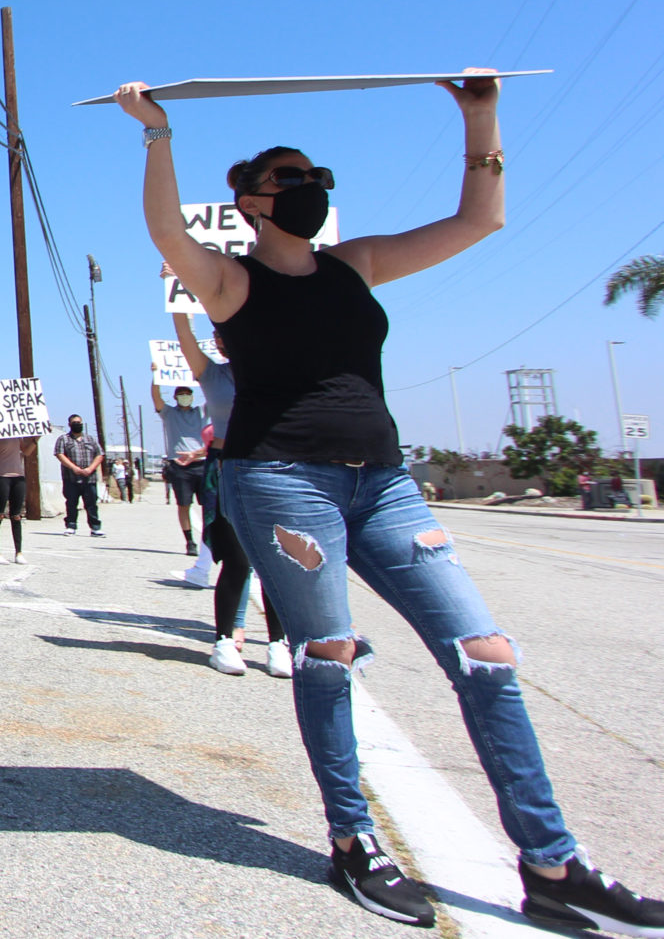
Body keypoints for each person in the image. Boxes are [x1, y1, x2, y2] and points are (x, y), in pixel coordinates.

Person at [126, 72, 664, 932]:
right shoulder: (227, 283)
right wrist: (157, 134)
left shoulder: (356, 264)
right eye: (292, 182)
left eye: (318, 181)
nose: (310, 193)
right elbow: (162, 228)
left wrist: (480, 115)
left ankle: (553, 864)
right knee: (329, 654)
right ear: (251, 203)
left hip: (385, 483)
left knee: (485, 652)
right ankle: (353, 842)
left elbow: (477, 221)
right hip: (282, 481)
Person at [174, 310, 288, 679]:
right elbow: (184, 332)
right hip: (226, 466)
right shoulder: (211, 374)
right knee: (237, 559)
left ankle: (278, 643)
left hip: (270, 464)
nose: (220, 339)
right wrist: (174, 290)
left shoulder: (276, 368)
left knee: (275, 561)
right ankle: (223, 640)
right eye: (216, 334)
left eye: (226, 333)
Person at [150, 376, 209, 556]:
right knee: (184, 505)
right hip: (179, 466)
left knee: (209, 505)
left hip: (201, 464)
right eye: (181, 394)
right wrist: (156, 376)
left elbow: (215, 397)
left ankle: (209, 541)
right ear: (175, 397)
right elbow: (156, 397)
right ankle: (189, 541)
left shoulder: (201, 412)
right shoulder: (169, 413)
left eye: (188, 394)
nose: (185, 396)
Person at [54, 415, 105, 537]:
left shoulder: (90, 439)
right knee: (71, 503)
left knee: (91, 503)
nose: (77, 424)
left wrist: (91, 468)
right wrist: (74, 468)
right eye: (74, 422)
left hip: (89, 478)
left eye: (79, 422)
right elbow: (59, 454)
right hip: (71, 478)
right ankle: (71, 526)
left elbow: (100, 454)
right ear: (69, 424)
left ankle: (95, 528)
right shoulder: (64, 439)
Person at [0, 434, 26, 563]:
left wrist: (37, 438)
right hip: (0, 476)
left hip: (18, 476)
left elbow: (27, 451)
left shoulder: (17, 434)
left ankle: (19, 552)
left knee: (16, 515)